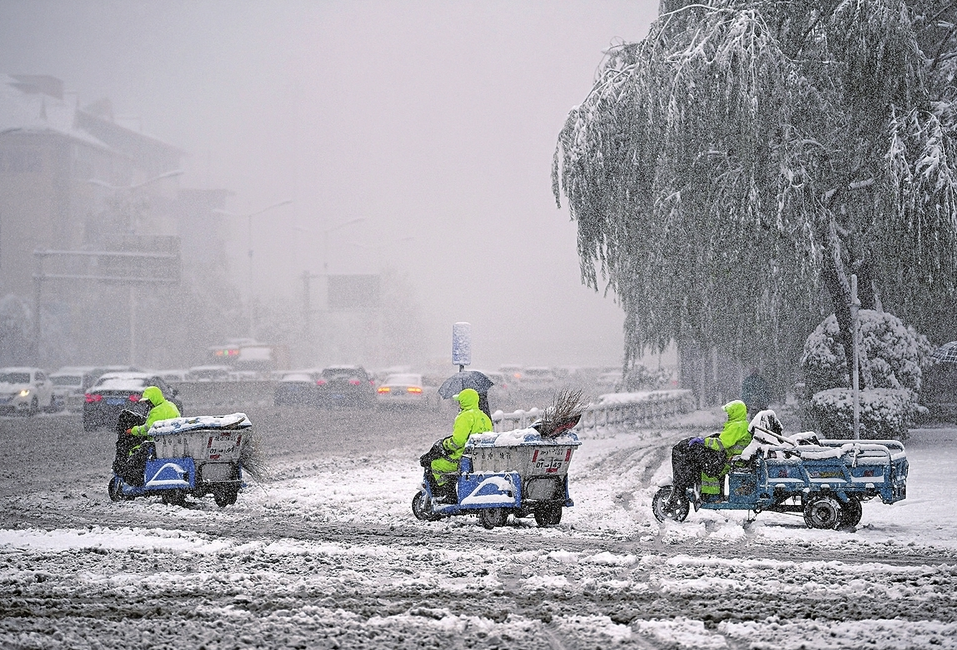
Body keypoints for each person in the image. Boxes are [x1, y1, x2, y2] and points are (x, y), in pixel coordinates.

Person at [666, 399, 752, 510]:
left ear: (736, 412)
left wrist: (703, 441)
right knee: (705, 459)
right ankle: (710, 494)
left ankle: (711, 496)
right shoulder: (740, 424)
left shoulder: (738, 426)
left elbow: (721, 443)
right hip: (731, 458)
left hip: (731, 460)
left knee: (706, 465)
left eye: (730, 412)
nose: (728, 414)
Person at [429, 388, 493, 501]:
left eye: (460, 400)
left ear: (464, 401)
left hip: (462, 458)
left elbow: (458, 441)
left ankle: (448, 494)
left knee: (435, 464)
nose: (458, 403)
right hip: (480, 458)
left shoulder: (464, 417)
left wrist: (445, 444)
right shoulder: (485, 417)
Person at [122, 386, 181, 485]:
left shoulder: (156, 411)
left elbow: (147, 429)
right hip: (172, 443)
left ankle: (135, 479)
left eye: (148, 401)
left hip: (157, 444)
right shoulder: (171, 405)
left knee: (136, 455)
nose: (148, 404)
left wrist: (132, 430)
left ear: (154, 399)